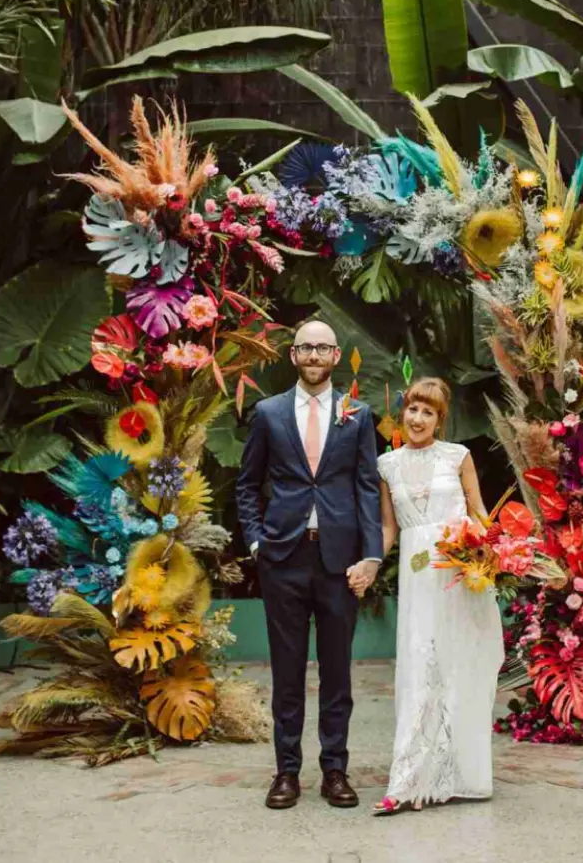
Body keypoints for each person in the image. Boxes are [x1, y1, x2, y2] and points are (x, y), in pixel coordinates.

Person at [236, 320, 383, 811]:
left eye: (323, 347)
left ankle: (335, 770)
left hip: (340, 562)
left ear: (336, 355)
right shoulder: (269, 413)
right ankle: (286, 772)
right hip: (284, 558)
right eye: (306, 348)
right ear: (293, 355)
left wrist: (371, 554)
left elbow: (366, 486)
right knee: (288, 671)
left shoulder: (357, 414)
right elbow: (246, 485)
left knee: (338, 671)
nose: (315, 355)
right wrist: (257, 543)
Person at [371, 377, 504, 814]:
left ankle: (463, 775)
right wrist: (369, 561)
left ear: (439, 420)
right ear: (403, 411)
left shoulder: (458, 457)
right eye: (413, 409)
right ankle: (407, 782)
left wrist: (501, 552)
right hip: (417, 574)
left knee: (460, 666)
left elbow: (479, 510)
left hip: (460, 575)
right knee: (417, 667)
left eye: (428, 412)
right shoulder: (386, 464)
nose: (418, 418)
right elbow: (389, 527)